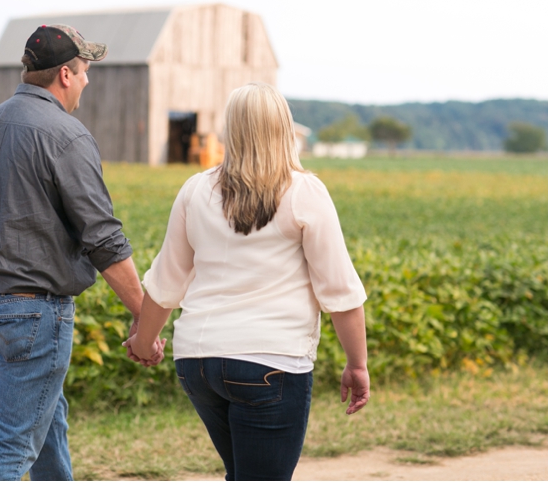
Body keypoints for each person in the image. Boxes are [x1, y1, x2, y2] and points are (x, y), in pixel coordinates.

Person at [0, 23, 163, 481]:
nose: (87, 81)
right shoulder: (66, 136)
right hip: (32, 314)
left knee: (47, 422)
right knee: (10, 444)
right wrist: (147, 316)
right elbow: (103, 238)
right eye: (85, 71)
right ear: (65, 74)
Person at [125, 82, 370, 481]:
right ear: (284, 128)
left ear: (230, 130)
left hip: (197, 364)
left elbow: (166, 282)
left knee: (241, 473)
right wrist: (357, 364)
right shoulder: (304, 191)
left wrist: (143, 342)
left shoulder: (195, 189)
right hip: (270, 363)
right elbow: (340, 293)